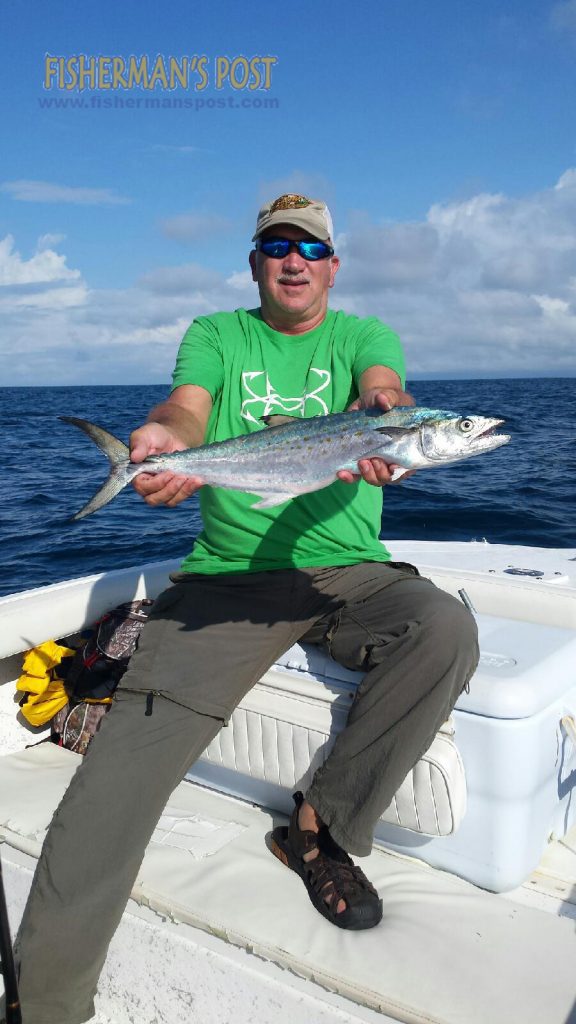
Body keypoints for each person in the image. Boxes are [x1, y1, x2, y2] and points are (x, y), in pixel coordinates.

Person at [10, 194, 479, 1024]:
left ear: (333, 265)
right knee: (120, 777)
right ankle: (47, 1008)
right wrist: (159, 440)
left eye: (310, 246)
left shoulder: (363, 335)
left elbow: (383, 389)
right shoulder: (217, 335)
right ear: (255, 262)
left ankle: (317, 828)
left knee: (445, 627)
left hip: (350, 573)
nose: (293, 259)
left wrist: (385, 415)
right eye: (275, 245)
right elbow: (186, 408)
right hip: (227, 581)